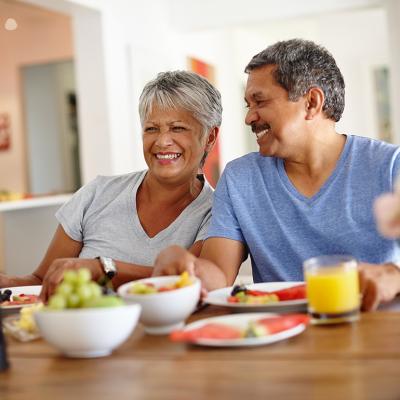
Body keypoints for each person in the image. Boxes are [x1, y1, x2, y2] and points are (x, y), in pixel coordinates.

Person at [153, 39, 400, 311]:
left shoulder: (390, 166)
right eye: (248, 104)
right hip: (279, 339)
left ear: (312, 102)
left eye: (259, 101)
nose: (249, 118)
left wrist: (393, 275)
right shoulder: (240, 178)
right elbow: (218, 277)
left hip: (375, 333)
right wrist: (189, 267)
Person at [0, 71, 222, 299]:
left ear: (210, 137)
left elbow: (187, 282)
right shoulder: (97, 193)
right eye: (151, 128)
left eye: (178, 128)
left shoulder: (217, 213)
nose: (162, 141)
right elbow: (40, 281)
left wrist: (102, 269)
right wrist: (7, 282)